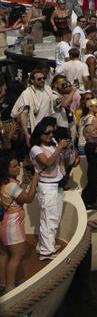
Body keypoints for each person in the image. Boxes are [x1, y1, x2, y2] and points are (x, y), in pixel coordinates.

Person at [29, 119, 71, 260]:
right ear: (40, 133)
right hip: (46, 186)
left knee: (54, 218)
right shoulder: (36, 149)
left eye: (52, 132)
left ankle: (44, 245)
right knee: (49, 219)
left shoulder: (53, 144)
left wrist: (66, 150)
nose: (51, 135)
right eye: (47, 132)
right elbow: (46, 162)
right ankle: (46, 252)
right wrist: (59, 148)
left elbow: (63, 162)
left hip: (57, 184)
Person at [1, 154, 40, 292]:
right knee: (17, 255)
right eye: (14, 166)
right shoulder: (11, 185)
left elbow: (15, 195)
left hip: (3, 222)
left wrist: (24, 183)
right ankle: (10, 287)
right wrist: (34, 181)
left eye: (18, 165)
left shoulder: (5, 183)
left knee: (4, 254)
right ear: (6, 169)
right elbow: (28, 198)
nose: (19, 167)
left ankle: (2, 282)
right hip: (13, 224)